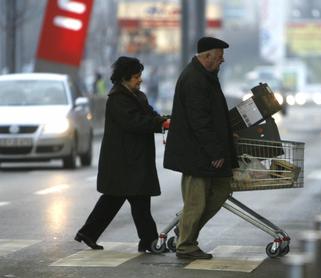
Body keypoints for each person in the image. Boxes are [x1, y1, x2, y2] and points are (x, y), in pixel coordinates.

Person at [75, 56, 168, 254]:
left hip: (132, 160)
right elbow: (134, 122)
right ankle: (149, 242)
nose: (140, 80)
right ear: (124, 78)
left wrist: (163, 121)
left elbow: (149, 115)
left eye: (140, 76)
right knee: (136, 201)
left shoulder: (137, 96)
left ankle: (89, 233)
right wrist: (158, 124)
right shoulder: (117, 99)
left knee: (116, 200)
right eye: (136, 77)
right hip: (124, 161)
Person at [163, 37, 238, 260]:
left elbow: (210, 115)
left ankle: (186, 229)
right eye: (219, 58)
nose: (222, 62)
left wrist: (225, 134)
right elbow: (199, 121)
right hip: (197, 154)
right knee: (196, 201)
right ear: (207, 57)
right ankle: (185, 245)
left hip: (202, 151)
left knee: (222, 189)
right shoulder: (195, 79)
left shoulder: (204, 76)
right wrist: (215, 151)